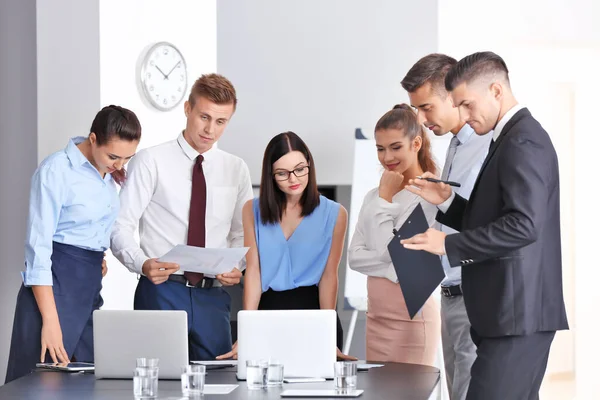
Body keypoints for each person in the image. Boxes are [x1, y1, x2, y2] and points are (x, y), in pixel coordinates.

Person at [401, 51, 569, 400]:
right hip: (506, 313)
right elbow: (495, 220)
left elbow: (524, 225)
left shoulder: (522, 139)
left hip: (516, 313)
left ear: (496, 91)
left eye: (466, 104)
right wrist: (446, 200)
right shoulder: (508, 138)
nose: (463, 115)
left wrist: (446, 245)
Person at [110, 74, 253, 361]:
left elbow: (241, 233)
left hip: (213, 297)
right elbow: (119, 225)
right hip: (162, 291)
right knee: (158, 383)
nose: (210, 129)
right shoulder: (150, 161)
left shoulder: (236, 169)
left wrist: (237, 266)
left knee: (217, 385)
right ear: (187, 108)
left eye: (221, 121)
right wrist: (141, 264)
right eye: (204, 116)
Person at [5, 106, 141, 383]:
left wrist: (93, 260)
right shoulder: (56, 170)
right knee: (43, 383)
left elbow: (87, 229)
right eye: (113, 156)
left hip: (87, 287)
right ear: (93, 139)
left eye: (127, 158)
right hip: (54, 292)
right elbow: (38, 250)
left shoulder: (106, 174)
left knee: (85, 381)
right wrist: (51, 323)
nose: (119, 165)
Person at [217, 131, 355, 361]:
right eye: (282, 173)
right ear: (270, 175)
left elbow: (329, 276)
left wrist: (327, 331)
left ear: (309, 164)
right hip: (267, 312)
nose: (293, 179)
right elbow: (253, 273)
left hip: (315, 313)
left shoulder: (335, 213)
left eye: (300, 169)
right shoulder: (252, 210)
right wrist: (247, 329)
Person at [401, 53, 491, 400]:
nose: (422, 121)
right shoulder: (455, 145)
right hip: (449, 294)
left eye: (426, 108)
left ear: (452, 93)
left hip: (474, 293)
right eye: (416, 112)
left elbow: (489, 224)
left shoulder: (488, 147)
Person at [348, 104, 440, 366]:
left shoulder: (431, 194)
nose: (386, 156)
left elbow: (384, 251)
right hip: (376, 317)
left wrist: (385, 197)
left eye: (395, 147)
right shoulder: (371, 197)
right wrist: (392, 269)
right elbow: (355, 257)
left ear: (416, 143)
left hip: (413, 315)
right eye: (380, 148)